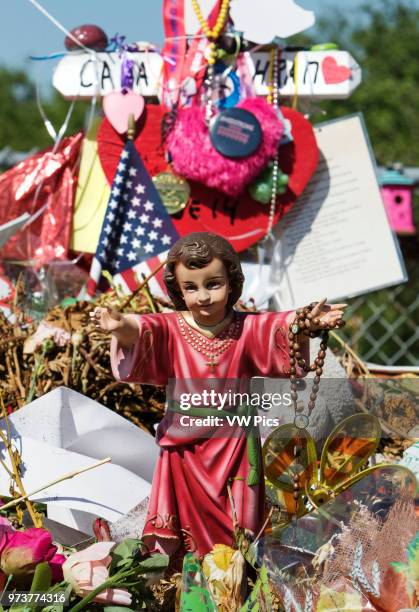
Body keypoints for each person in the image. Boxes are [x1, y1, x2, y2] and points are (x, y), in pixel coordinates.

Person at [90, 232, 346, 559]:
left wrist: (309, 321)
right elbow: (139, 330)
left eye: (213, 284)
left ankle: (237, 584)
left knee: (239, 522)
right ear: (178, 290)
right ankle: (191, 585)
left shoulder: (245, 328)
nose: (203, 297)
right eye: (191, 288)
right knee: (187, 529)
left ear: (232, 281)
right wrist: (118, 325)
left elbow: (281, 325)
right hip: (185, 451)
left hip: (235, 444)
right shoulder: (171, 328)